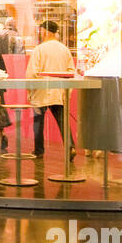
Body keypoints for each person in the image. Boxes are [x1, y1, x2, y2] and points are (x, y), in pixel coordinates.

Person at [29, 19, 76, 159]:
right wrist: (67, 92)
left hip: (41, 91)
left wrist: (30, 91)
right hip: (59, 91)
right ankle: (70, 147)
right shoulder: (64, 49)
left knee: (38, 122)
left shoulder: (39, 49)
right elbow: (71, 72)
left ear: (44, 31)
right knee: (63, 122)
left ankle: (39, 151)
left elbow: (32, 73)